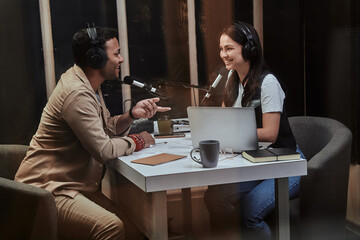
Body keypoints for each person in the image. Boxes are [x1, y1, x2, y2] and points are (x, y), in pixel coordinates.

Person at [15, 26, 170, 239]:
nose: (122, 59)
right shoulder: (77, 94)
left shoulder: (89, 85)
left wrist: (131, 115)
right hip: (48, 191)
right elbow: (103, 149)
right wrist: (138, 140)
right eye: (116, 53)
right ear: (96, 59)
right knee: (111, 227)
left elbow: (104, 129)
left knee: (134, 228)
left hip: (70, 187)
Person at [203, 22, 305, 240]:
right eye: (221, 49)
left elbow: (270, 134)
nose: (223, 55)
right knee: (214, 197)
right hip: (255, 161)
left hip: (285, 164)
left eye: (229, 48)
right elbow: (224, 120)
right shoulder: (233, 79)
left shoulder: (268, 83)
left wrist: (231, 135)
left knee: (249, 213)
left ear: (249, 49)